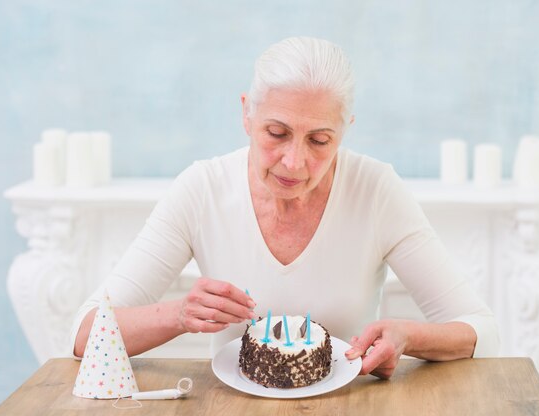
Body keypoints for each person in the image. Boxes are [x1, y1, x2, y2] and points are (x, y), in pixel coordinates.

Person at [72, 36, 499, 379]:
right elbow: (84, 334)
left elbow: (483, 329)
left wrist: (408, 336)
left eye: (319, 140)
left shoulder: (376, 189)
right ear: (246, 115)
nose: (295, 162)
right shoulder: (202, 189)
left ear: (345, 131)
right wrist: (180, 314)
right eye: (276, 133)